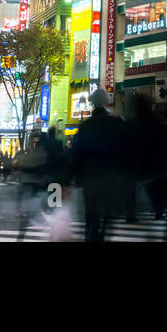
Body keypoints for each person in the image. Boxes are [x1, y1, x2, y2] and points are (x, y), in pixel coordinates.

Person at [71, 88, 126, 242]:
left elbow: (76, 153)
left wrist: (69, 177)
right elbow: (125, 149)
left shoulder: (85, 126)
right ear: (107, 101)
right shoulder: (117, 122)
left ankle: (91, 235)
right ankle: (102, 234)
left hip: (89, 177)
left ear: (92, 103)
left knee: (91, 213)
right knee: (108, 214)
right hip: (111, 176)